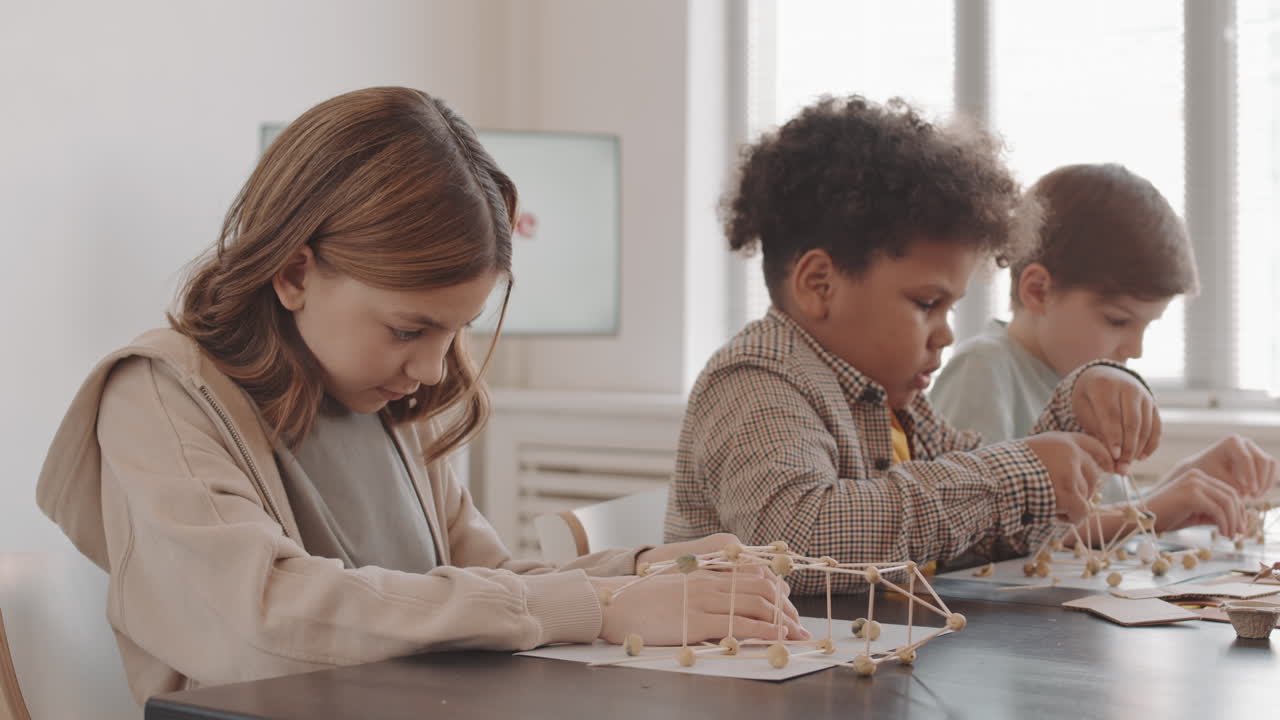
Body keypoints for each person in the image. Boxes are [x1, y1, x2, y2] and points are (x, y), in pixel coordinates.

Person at [36, 87, 802, 703]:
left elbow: (487, 589)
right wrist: (601, 607)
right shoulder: (159, 395)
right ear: (295, 272)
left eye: (455, 332)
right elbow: (261, 623)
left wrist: (643, 574)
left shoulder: (379, 400)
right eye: (410, 330)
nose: (435, 371)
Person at [664, 97, 1165, 595]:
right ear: (820, 285)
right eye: (927, 303)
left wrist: (1078, 404)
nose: (946, 334)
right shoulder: (758, 379)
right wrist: (1022, 473)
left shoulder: (898, 407)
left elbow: (996, 526)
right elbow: (792, 541)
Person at [931, 162, 1275, 525]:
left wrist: (1187, 483)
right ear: (1037, 291)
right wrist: (1153, 511)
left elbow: (1091, 523)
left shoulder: (1088, 387)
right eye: (1118, 320)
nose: (1135, 349)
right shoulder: (984, 369)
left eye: (1147, 325)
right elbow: (981, 531)